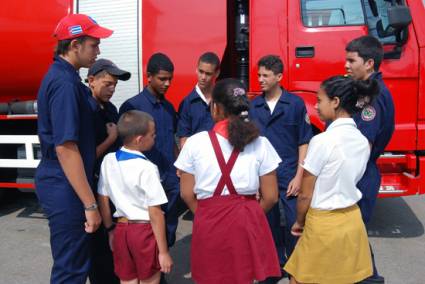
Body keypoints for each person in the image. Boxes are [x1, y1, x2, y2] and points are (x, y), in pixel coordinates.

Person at [175, 78, 282, 283]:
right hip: (246, 219)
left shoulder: (195, 143)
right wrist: (248, 215)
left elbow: (186, 194)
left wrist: (206, 214)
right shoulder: (261, 143)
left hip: (208, 218)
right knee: (243, 276)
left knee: (210, 277)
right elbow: (271, 197)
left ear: (215, 108)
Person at [35, 14, 112, 283]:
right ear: (75, 44)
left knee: (85, 261)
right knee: (71, 270)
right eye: (94, 44)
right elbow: (66, 149)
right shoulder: (65, 84)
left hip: (68, 182)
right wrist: (89, 204)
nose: (98, 51)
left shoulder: (68, 79)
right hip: (65, 183)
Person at [284, 75, 379, 284]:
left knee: (299, 278)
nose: (316, 106)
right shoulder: (363, 141)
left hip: (323, 223)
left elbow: (305, 194)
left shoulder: (322, 141)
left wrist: (299, 222)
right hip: (352, 220)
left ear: (335, 102)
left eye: (319, 100)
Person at [249, 55, 313, 278]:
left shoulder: (295, 104)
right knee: (268, 222)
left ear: (279, 76)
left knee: (295, 221)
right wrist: (253, 180)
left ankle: (295, 266)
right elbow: (250, 146)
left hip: (289, 172)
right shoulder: (253, 106)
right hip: (263, 174)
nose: (260, 79)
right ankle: (273, 266)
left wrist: (299, 176)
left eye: (265, 75)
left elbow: (303, 141)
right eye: (259, 75)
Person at [97, 110, 173, 284]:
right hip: (144, 232)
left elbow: (103, 197)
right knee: (150, 280)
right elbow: (155, 212)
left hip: (121, 230)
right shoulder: (147, 167)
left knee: (127, 280)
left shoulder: (108, 160)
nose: (154, 138)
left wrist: (110, 230)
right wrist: (163, 252)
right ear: (139, 139)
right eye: (152, 135)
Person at [345, 35, 395, 284]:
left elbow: (362, 147)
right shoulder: (365, 91)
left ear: (369, 63)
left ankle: (370, 279)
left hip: (361, 174)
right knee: (353, 234)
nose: (346, 65)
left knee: (354, 232)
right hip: (361, 173)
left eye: (351, 60)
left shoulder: (372, 99)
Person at [119, 53, 179, 247]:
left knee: (168, 230)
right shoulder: (132, 107)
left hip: (169, 180)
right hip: (143, 184)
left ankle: (160, 268)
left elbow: (173, 141)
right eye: (162, 79)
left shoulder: (169, 108)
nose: (167, 83)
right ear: (149, 76)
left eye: (170, 79)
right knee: (147, 232)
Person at [86, 58, 131, 284]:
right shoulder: (86, 110)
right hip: (93, 189)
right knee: (99, 250)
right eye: (107, 84)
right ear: (91, 81)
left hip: (112, 189)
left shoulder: (111, 109)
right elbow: (85, 156)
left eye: (114, 84)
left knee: (113, 245)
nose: (112, 89)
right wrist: (111, 138)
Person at [176, 52, 220, 148]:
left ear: (217, 73)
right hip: (196, 160)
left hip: (220, 160)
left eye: (208, 74)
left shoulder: (223, 100)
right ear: (196, 69)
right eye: (201, 71)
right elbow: (183, 141)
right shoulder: (187, 103)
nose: (203, 77)